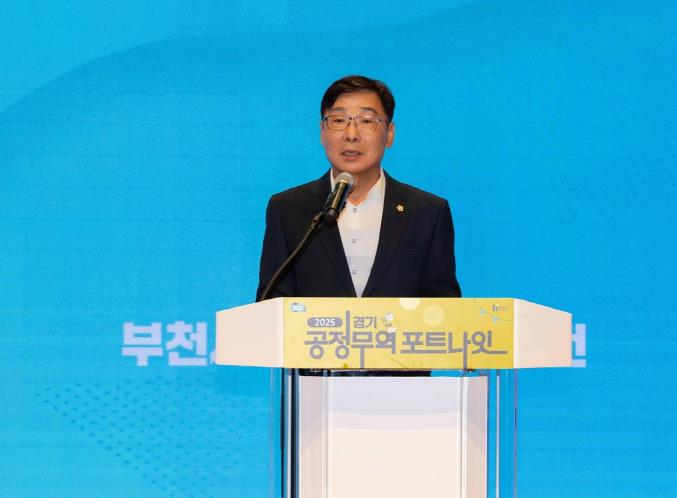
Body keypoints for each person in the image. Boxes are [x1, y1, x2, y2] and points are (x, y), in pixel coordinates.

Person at [256, 75, 461, 301]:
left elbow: (444, 303)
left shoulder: (427, 212)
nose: (351, 134)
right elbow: (272, 301)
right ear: (322, 132)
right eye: (338, 120)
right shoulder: (288, 209)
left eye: (366, 121)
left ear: (389, 134)